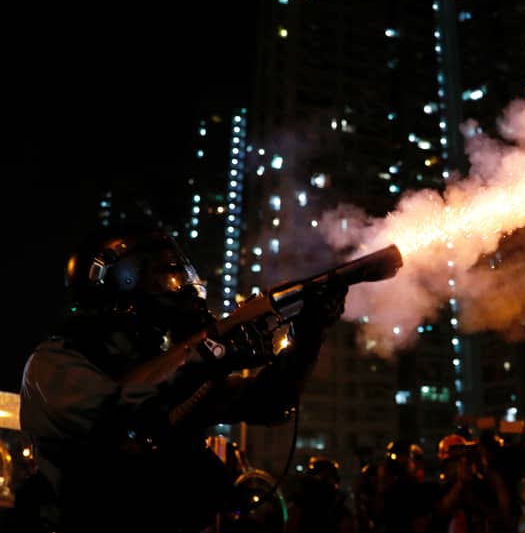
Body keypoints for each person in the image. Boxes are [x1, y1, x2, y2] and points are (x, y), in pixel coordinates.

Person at [13, 222, 349, 533]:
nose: (185, 287)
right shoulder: (54, 363)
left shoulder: (168, 366)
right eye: (167, 275)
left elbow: (272, 402)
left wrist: (310, 333)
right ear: (120, 280)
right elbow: (122, 414)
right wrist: (210, 352)